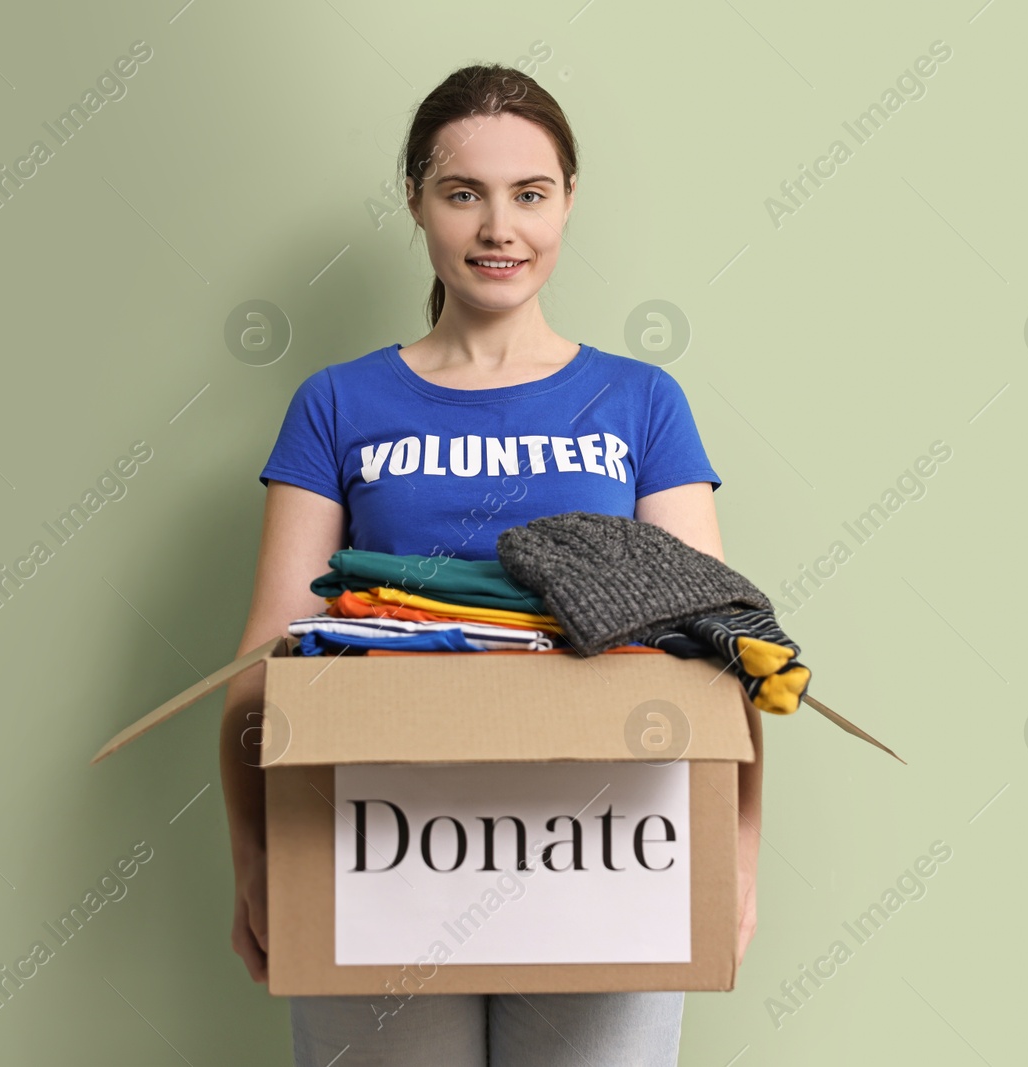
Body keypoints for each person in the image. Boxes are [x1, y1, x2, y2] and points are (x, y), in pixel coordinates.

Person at [220, 62, 762, 1066]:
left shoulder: (640, 402)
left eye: (530, 194)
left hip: (605, 844)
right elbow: (268, 650)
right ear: (418, 204)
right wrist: (255, 850)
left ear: (566, 204)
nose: (497, 226)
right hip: (374, 840)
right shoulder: (337, 404)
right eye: (462, 192)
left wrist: (733, 857)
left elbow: (718, 642)